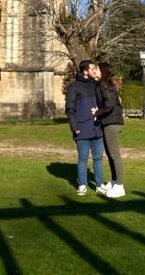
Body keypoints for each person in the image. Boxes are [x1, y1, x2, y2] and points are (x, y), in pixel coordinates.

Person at [65, 60, 105, 195]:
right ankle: (82, 184)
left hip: (98, 128)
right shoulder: (73, 87)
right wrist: (74, 127)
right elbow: (69, 109)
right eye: (92, 68)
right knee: (83, 158)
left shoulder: (97, 85)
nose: (95, 70)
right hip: (81, 129)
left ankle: (100, 184)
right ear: (85, 71)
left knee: (98, 158)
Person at [92, 62, 126, 198]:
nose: (95, 71)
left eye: (97, 69)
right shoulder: (104, 84)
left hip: (112, 122)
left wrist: (97, 113)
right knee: (110, 154)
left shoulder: (105, 85)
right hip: (108, 122)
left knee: (114, 154)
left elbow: (110, 105)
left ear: (103, 71)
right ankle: (114, 181)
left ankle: (119, 186)